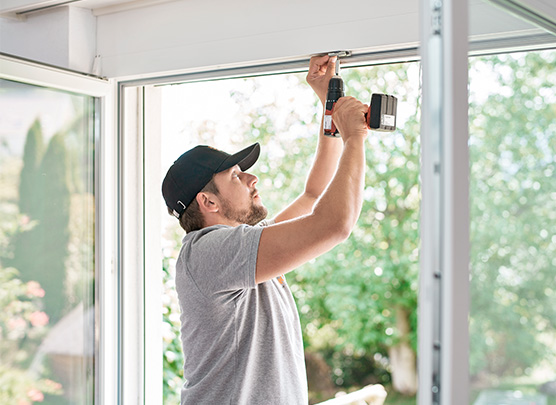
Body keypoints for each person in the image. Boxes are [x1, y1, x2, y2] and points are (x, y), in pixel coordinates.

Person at [162, 55, 369, 405]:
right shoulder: (209, 253)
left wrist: (329, 103)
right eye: (235, 176)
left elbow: (314, 194)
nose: (251, 178)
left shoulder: (240, 249)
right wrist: (354, 138)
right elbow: (335, 224)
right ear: (208, 202)